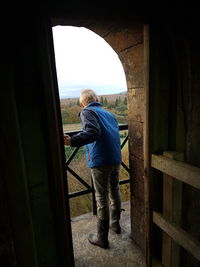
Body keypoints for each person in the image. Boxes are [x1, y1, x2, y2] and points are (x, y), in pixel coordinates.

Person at [64, 89, 122, 249]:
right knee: (114, 190)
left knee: (101, 197)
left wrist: (72, 141)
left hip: (101, 159)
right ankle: (115, 224)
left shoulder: (87, 112)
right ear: (96, 99)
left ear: (82, 103)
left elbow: (93, 132)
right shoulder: (109, 114)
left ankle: (102, 238)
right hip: (115, 157)